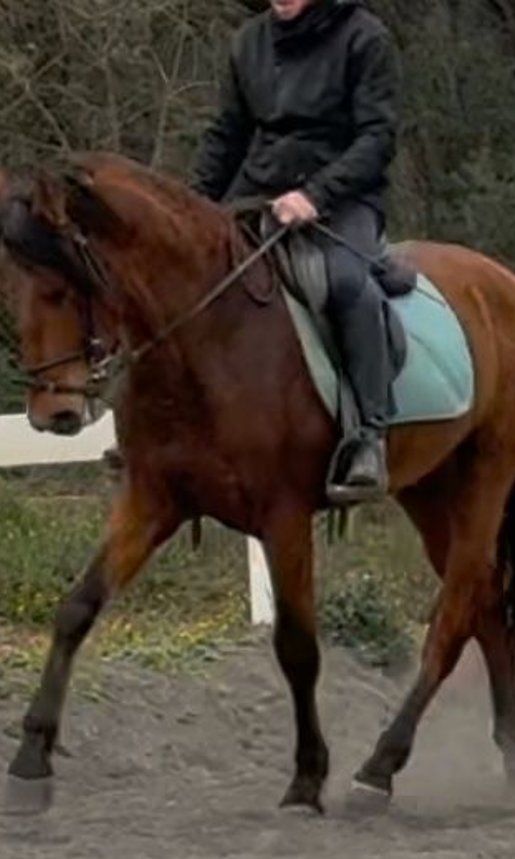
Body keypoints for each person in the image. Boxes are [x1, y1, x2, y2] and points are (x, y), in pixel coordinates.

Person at [191, 0, 399, 500]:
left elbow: (377, 137)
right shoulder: (249, 42)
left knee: (349, 285)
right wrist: (192, 207)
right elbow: (229, 134)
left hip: (342, 200)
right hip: (257, 189)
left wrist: (316, 195)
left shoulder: (365, 38)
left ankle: (370, 434)